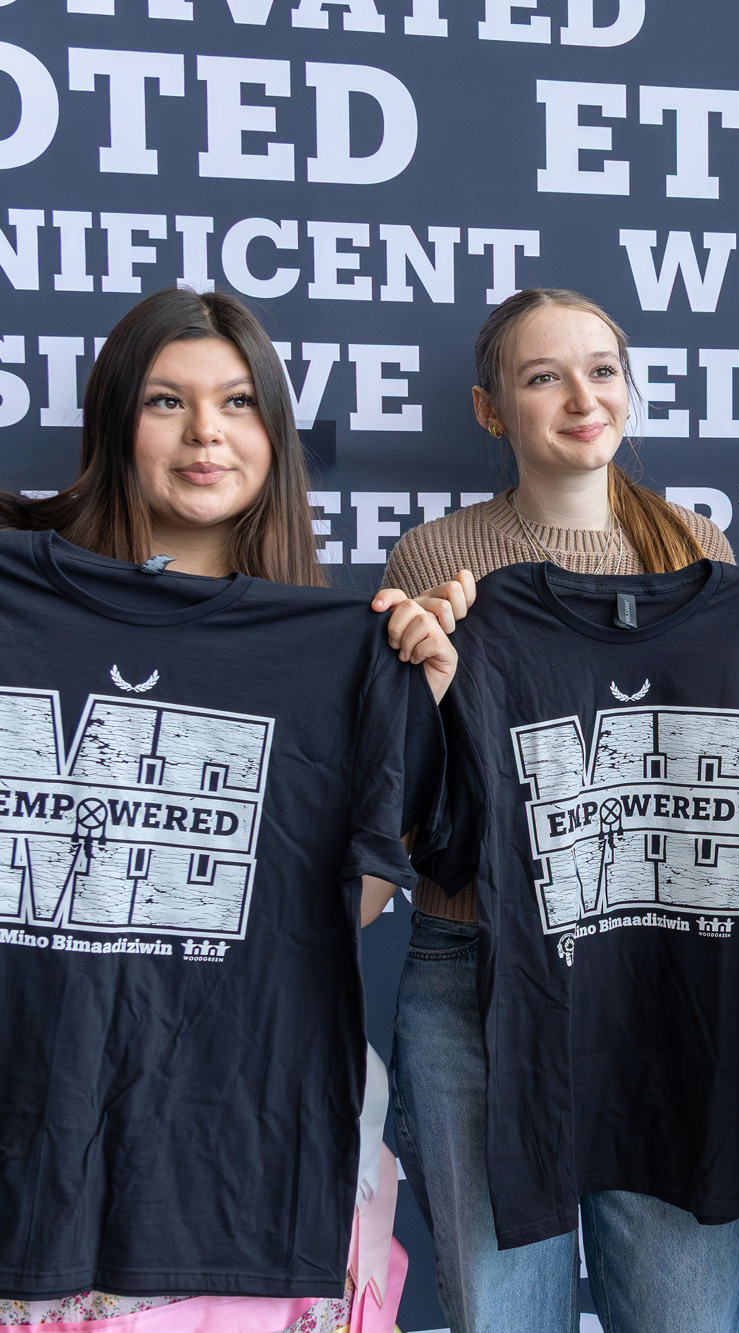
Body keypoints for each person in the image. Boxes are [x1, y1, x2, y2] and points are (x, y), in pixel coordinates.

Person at [0, 285, 452, 1328]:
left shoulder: (338, 642)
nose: (206, 433)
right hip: (36, 1130)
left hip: (238, 1147)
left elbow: (347, 907)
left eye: (238, 402)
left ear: (274, 434)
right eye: (167, 401)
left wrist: (413, 702)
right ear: (117, 423)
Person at [378, 287, 739, 1333]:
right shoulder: (442, 564)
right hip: (482, 978)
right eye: (544, 376)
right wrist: (425, 676)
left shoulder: (701, 554)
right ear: (491, 410)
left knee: (683, 1315)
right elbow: (401, 804)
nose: (583, 396)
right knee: (504, 1313)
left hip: (664, 977)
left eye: (602, 369)